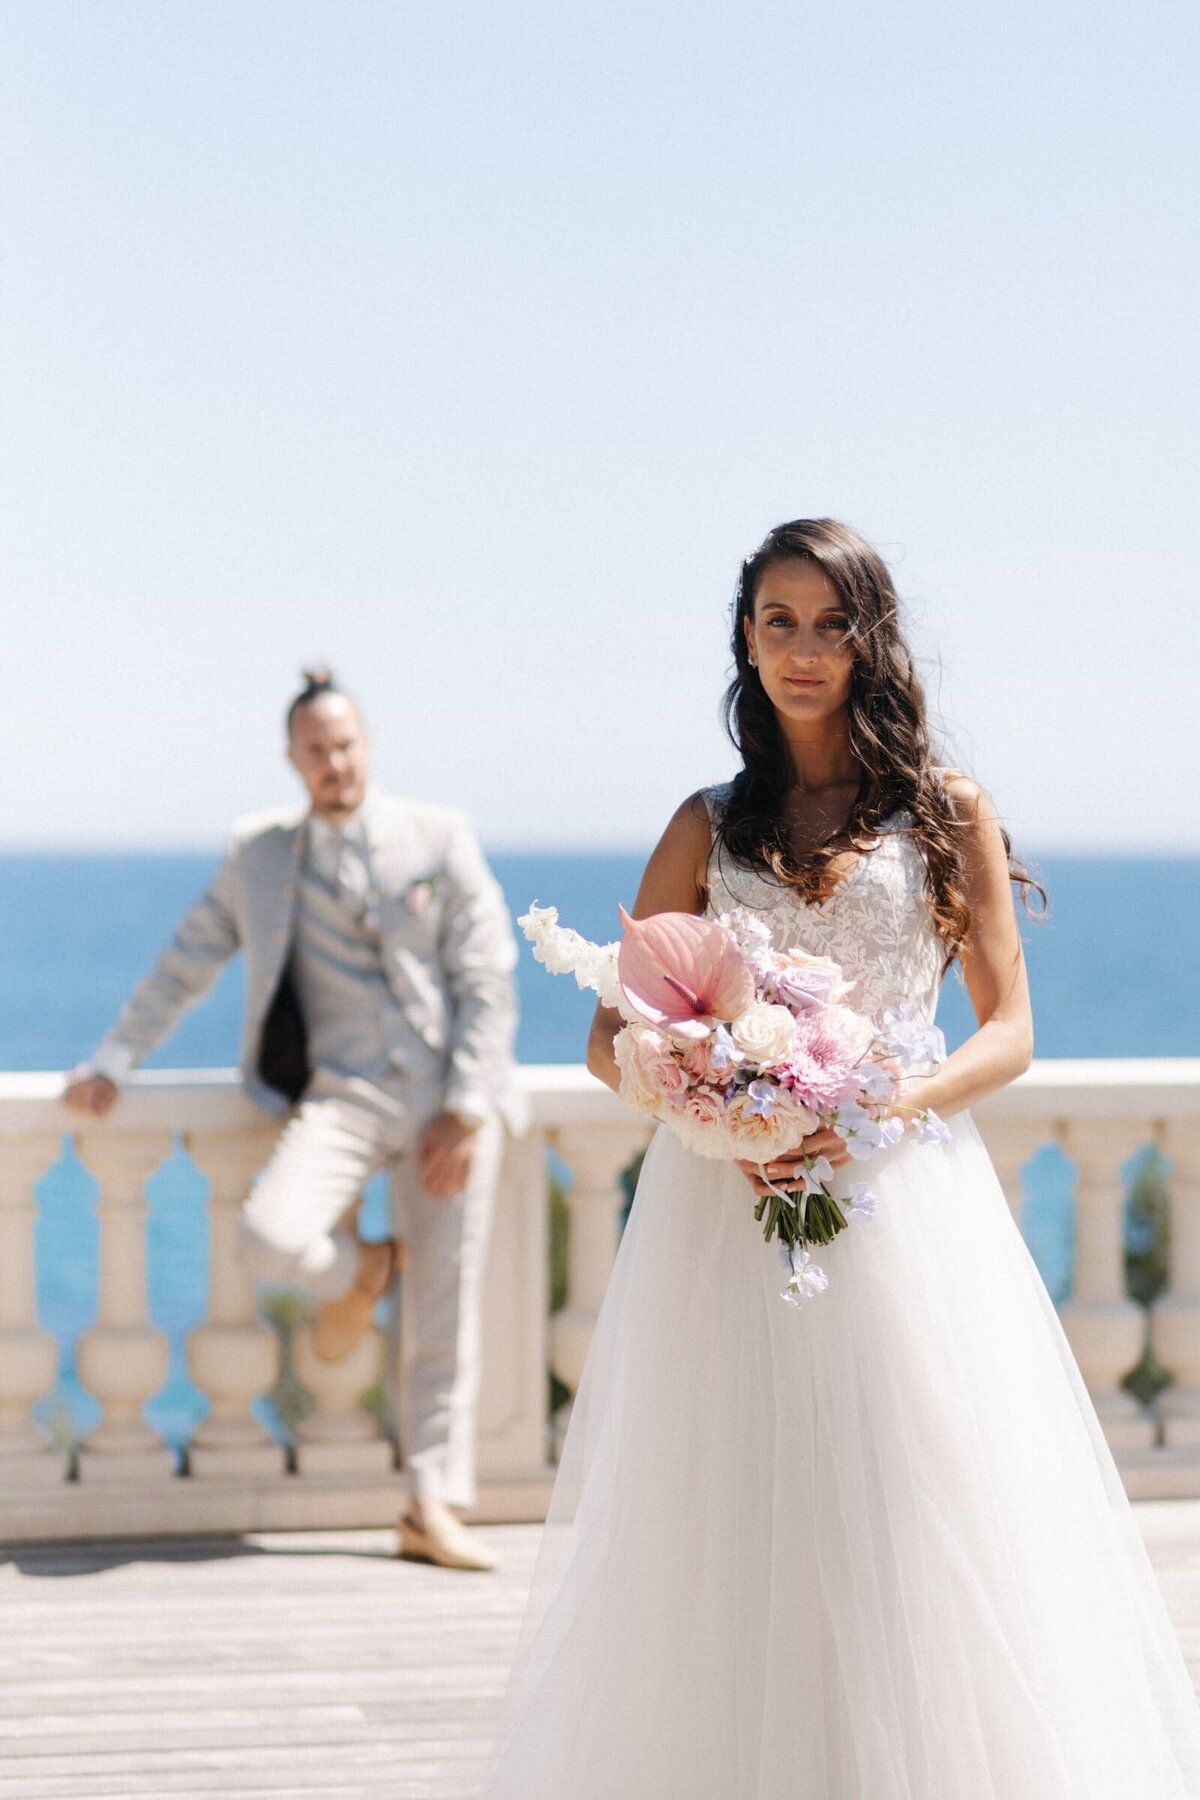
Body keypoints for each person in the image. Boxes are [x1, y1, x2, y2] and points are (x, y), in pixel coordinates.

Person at [481, 521, 1200, 1795]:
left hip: (906, 1208)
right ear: (744, 642)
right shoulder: (704, 825)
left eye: (829, 621)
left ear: (872, 638)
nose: (804, 650)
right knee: (730, 1519)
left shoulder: (945, 809)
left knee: (917, 1511)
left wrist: (883, 1108)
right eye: (777, 621)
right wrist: (723, 1115)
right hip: (730, 1217)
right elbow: (611, 1036)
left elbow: (1014, 1031)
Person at [65, 668, 520, 1573]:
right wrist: (117, 1057)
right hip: (340, 1095)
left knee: (446, 1310)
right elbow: (185, 962)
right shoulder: (261, 856)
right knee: (268, 1237)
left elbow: (487, 978)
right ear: (293, 759)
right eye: (316, 750)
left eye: (345, 744)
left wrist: (467, 1109)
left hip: (442, 1098)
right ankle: (367, 1269)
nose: (334, 762)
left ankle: (431, 1504)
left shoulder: (438, 835)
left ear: (366, 745)